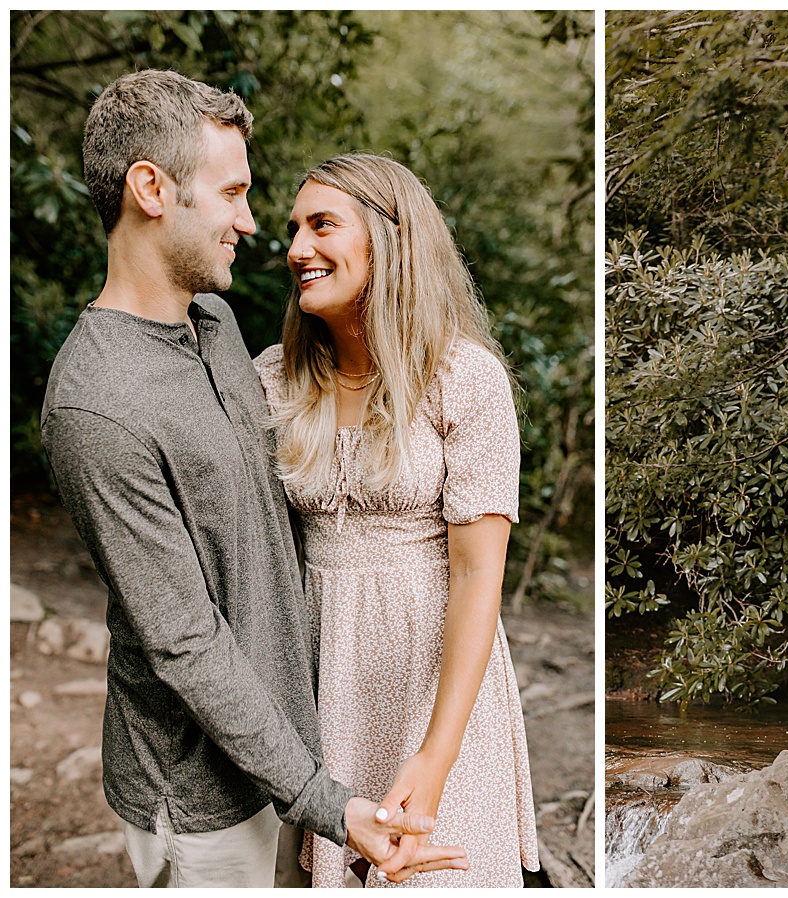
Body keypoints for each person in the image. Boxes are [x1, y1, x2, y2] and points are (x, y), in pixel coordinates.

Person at [40, 70, 465, 888]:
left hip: (286, 758)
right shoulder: (96, 405)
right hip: (199, 796)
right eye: (232, 193)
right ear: (151, 188)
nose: (250, 221)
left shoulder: (217, 323)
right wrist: (328, 803)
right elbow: (183, 639)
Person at [253, 153, 539, 887]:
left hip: (434, 691)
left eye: (323, 225)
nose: (296, 249)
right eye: (294, 228)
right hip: (318, 681)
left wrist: (434, 759)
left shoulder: (463, 379)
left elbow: (479, 576)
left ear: (391, 239)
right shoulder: (271, 381)